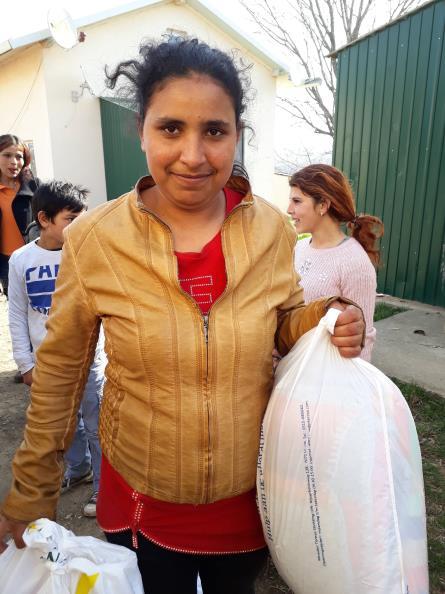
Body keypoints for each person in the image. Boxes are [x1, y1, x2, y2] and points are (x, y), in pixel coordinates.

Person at [0, 38, 364, 594]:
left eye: (214, 131)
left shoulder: (268, 228)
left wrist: (326, 317)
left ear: (236, 134)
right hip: (145, 503)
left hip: (249, 499)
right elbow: (60, 374)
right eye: (171, 128)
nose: (193, 154)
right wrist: (30, 491)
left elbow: (285, 319)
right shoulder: (95, 238)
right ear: (142, 130)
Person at [7, 180, 106, 517]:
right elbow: (18, 314)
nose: (80, 225)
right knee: (64, 423)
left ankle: (102, 491)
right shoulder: (21, 259)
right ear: (45, 219)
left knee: (96, 424)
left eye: (83, 217)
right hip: (47, 363)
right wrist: (25, 364)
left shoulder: (89, 254)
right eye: (71, 219)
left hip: (90, 361)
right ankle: (78, 469)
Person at [288, 164, 384, 361]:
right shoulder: (300, 247)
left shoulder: (354, 263)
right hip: (292, 369)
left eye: (297, 201)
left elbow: (362, 340)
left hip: (326, 378)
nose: (289, 209)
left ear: (323, 205)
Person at [0, 134, 39, 298]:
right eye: (7, 155)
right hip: (6, 264)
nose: (14, 162)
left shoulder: (34, 185)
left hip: (35, 260)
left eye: (19, 156)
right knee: (17, 312)